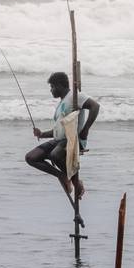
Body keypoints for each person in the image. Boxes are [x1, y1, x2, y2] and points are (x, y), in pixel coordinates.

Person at [25, 71, 100, 212]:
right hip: (59, 140)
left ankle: (75, 181)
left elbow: (96, 107)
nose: (51, 90)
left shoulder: (75, 96)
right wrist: (42, 134)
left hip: (73, 140)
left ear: (60, 85)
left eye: (52, 87)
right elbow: (58, 131)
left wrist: (86, 130)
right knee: (31, 157)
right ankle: (63, 175)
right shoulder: (60, 104)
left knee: (55, 154)